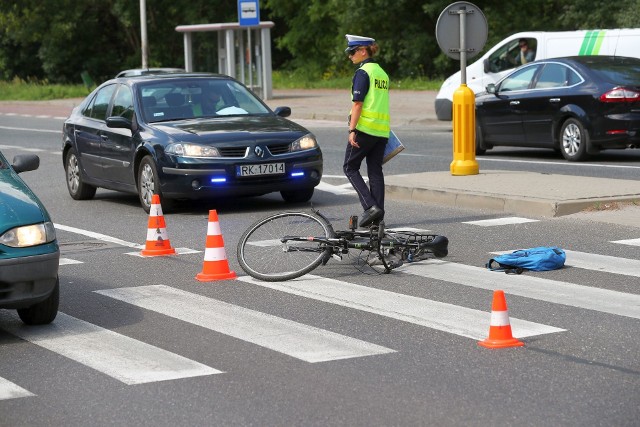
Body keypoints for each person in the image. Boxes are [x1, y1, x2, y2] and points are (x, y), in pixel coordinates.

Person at [343, 34, 391, 228]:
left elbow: (358, 104)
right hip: (381, 132)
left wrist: (352, 129)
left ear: (363, 51)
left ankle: (370, 207)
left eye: (352, 52)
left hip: (364, 129)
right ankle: (377, 219)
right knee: (375, 172)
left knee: (349, 167)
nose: (350, 56)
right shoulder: (382, 73)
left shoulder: (363, 73)